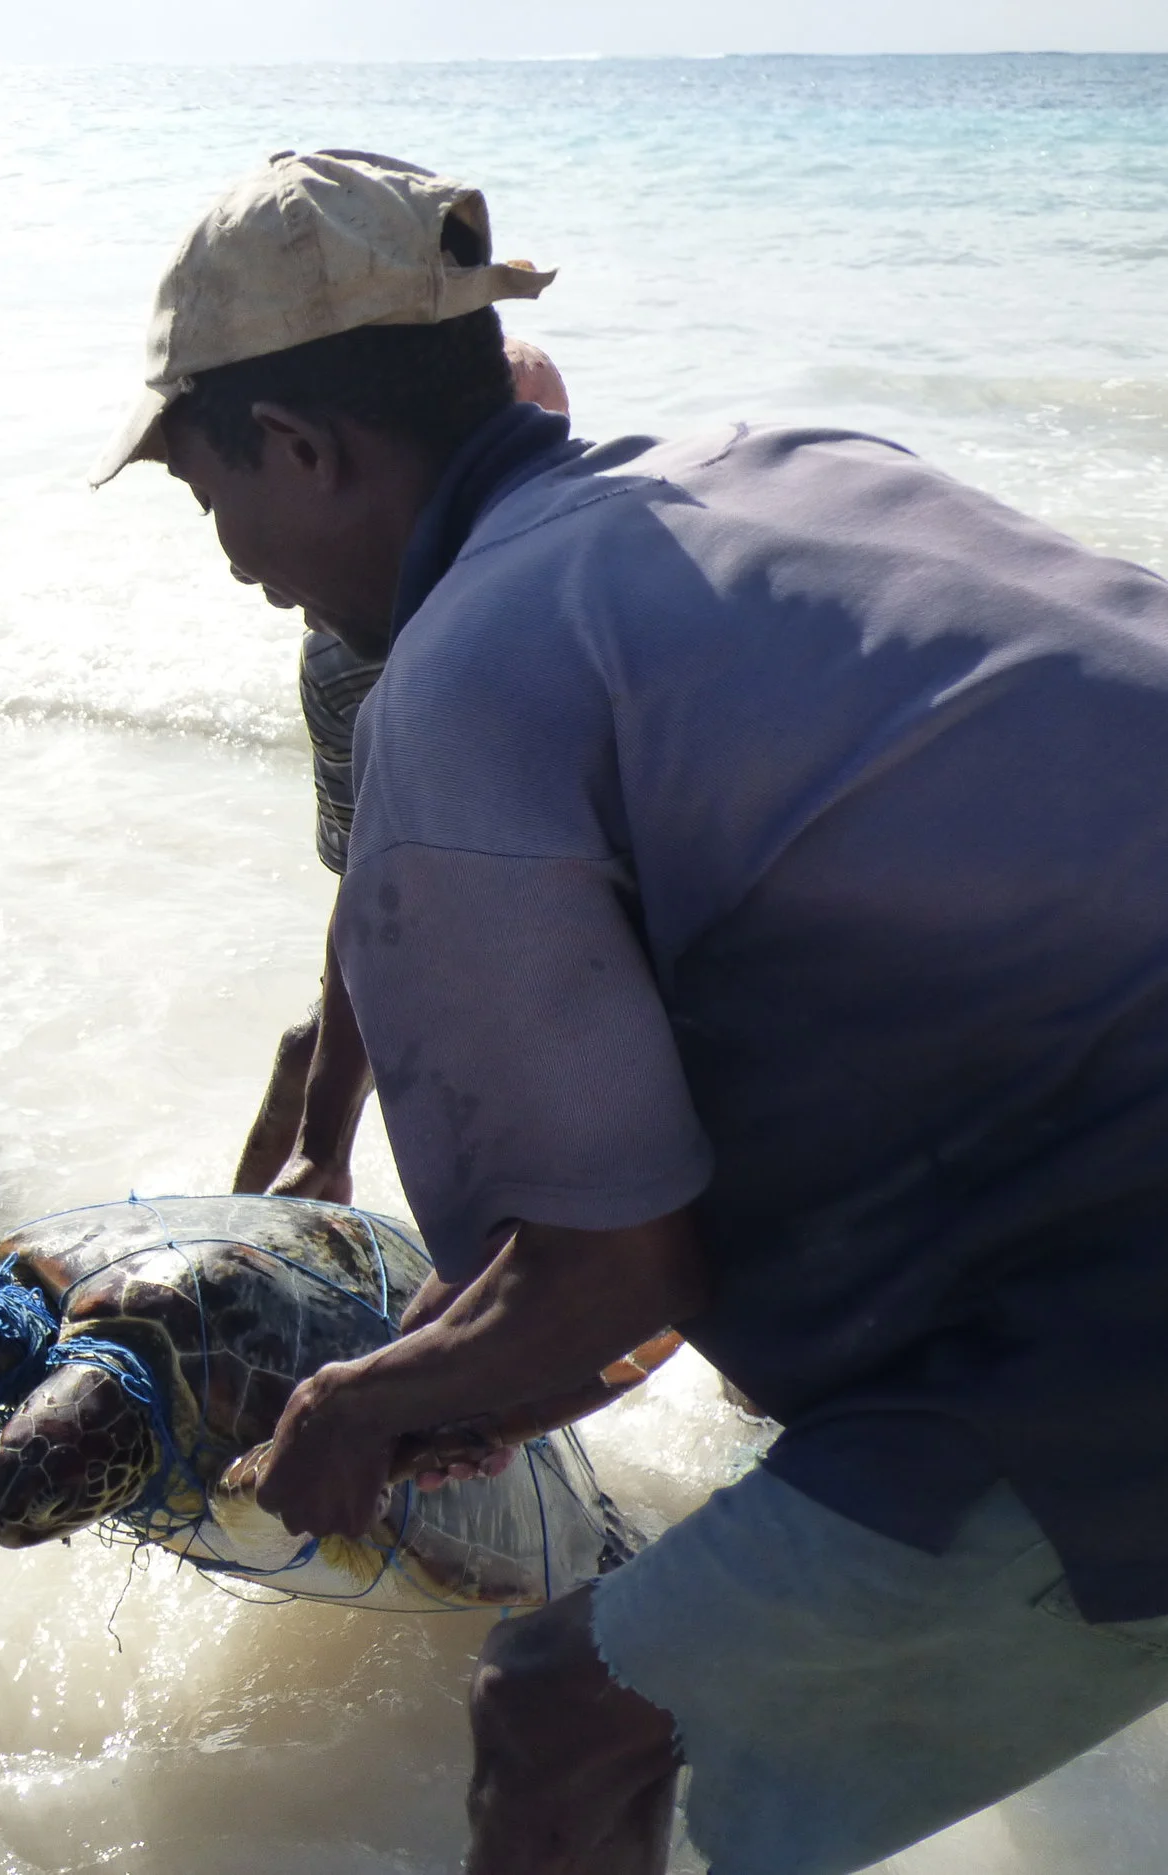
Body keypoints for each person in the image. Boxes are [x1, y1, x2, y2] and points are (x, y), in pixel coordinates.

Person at [95, 148, 1168, 1875]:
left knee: (562, 1714)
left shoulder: (455, 688)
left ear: (296, 446)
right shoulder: (789, 461)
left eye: (207, 493)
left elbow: (620, 1269)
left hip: (1125, 1292)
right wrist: (510, 1358)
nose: (233, 564)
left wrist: (358, 1409)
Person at [230, 335, 571, 1202]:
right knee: (349, 1029)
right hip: (434, 855)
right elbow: (373, 883)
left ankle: (251, 1217)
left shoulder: (541, 596)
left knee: (341, 1035)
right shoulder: (367, 654)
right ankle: (244, 1227)